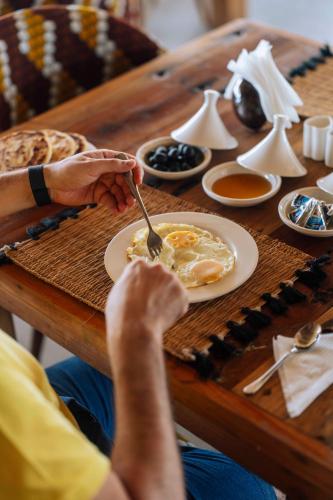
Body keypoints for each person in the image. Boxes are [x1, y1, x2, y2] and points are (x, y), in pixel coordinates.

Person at [0, 149, 276, 499]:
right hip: (47, 444)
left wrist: (42, 181)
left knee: (101, 365)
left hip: (50, 402)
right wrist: (136, 335)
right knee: (245, 479)